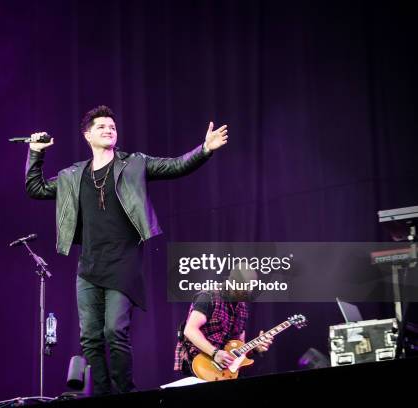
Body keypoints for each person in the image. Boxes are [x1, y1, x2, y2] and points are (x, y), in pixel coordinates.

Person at [25, 105, 228, 395]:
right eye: (101, 127)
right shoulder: (72, 175)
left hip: (124, 261)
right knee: (90, 338)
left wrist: (204, 149)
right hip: (89, 265)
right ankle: (103, 395)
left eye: (112, 127)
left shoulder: (133, 163)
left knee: (114, 332)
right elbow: (35, 188)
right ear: (87, 135)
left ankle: (125, 393)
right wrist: (36, 152)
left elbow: (175, 165)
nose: (109, 130)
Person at [174, 271, 274, 378]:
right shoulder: (209, 296)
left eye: (251, 285)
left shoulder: (242, 308)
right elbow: (190, 330)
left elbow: (238, 348)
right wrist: (215, 353)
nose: (249, 290)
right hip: (200, 362)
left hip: (223, 370)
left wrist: (255, 348)